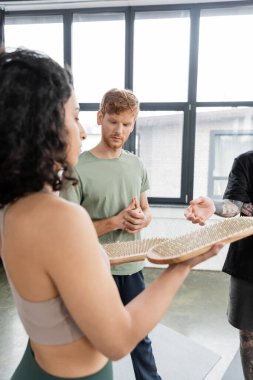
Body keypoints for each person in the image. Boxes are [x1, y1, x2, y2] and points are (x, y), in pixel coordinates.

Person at [0, 47, 222, 380]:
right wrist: (183, 264)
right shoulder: (60, 217)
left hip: (36, 365)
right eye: (75, 117)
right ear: (44, 126)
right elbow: (118, 340)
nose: (84, 130)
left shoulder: (13, 207)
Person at [60, 88, 163, 380]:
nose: (119, 130)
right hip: (92, 270)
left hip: (131, 267)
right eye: (113, 121)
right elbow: (69, 236)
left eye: (127, 124)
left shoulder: (136, 165)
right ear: (100, 118)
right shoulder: (77, 168)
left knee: (139, 336)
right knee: (90, 340)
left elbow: (146, 209)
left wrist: (141, 219)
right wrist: (113, 222)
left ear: (134, 124)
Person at [184, 150, 253, 380]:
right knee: (248, 333)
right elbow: (234, 205)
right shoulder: (245, 162)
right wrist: (213, 206)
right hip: (247, 263)